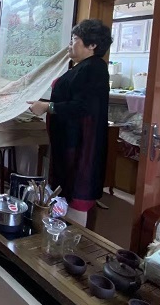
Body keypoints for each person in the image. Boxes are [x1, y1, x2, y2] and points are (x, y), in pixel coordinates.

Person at [27, 19, 112, 227]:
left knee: (76, 195)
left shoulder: (94, 69)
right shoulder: (83, 67)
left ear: (92, 45)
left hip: (81, 147)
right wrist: (44, 105)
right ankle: (62, 237)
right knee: (66, 192)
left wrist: (47, 107)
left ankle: (73, 241)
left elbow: (83, 107)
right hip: (69, 142)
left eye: (74, 39)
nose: (70, 44)